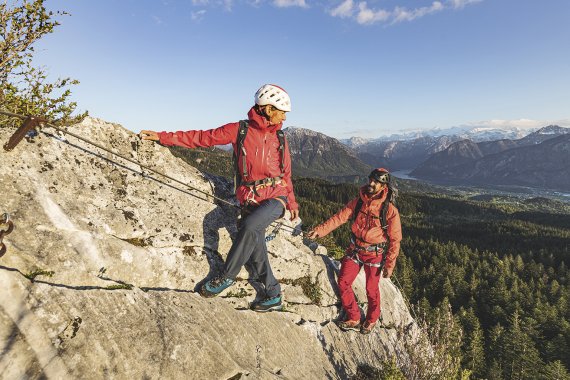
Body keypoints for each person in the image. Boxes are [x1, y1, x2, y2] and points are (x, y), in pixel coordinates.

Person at [140, 84, 299, 312]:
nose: (284, 116)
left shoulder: (281, 138)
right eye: (281, 110)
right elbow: (204, 138)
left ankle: (226, 276)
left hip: (277, 197)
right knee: (256, 247)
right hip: (250, 199)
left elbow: (286, 174)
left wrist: (292, 202)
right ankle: (273, 294)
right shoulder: (240, 130)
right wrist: (163, 137)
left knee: (251, 225)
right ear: (266, 108)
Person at [307, 168, 402, 334]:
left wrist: (390, 264)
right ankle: (354, 316)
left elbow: (395, 239)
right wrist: (320, 231)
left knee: (371, 289)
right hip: (355, 250)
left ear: (383, 186)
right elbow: (340, 217)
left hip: (374, 254)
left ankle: (372, 319)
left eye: (376, 182)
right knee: (343, 282)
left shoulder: (390, 211)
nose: (371, 184)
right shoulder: (359, 201)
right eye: (371, 180)